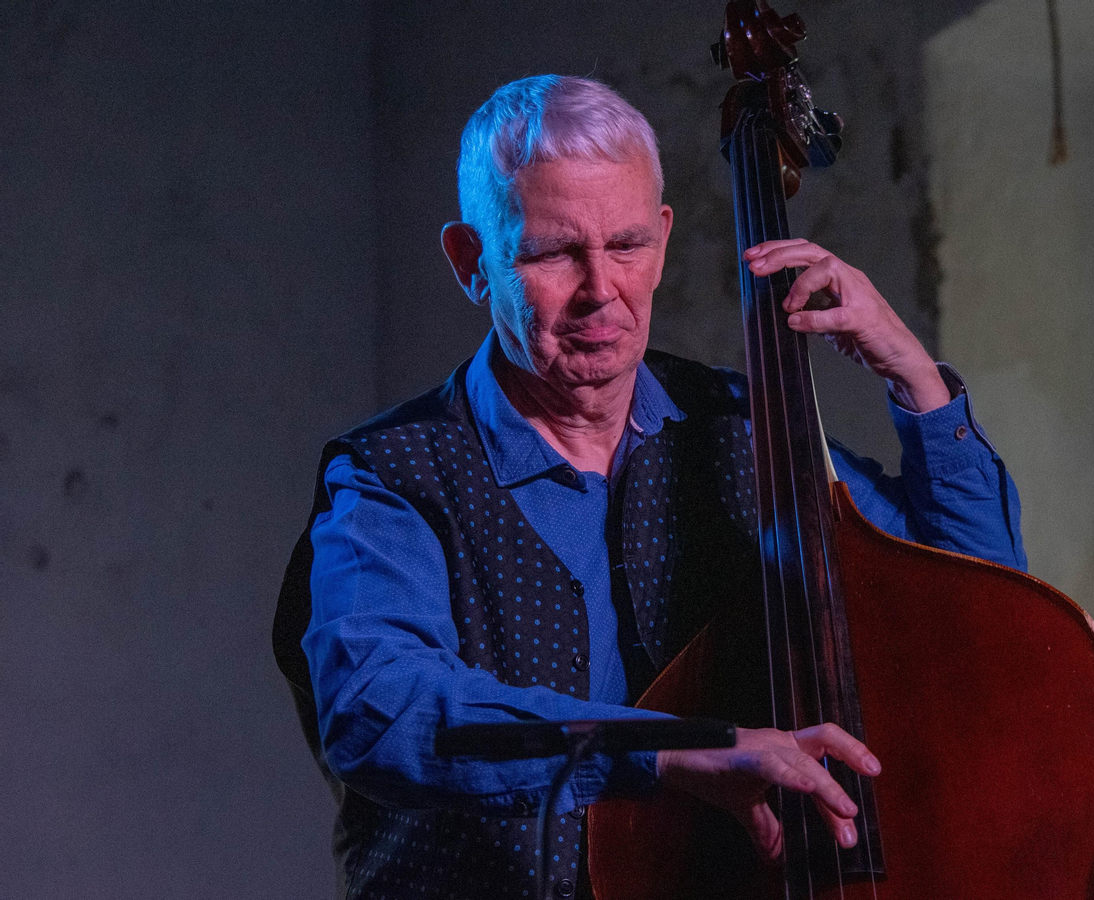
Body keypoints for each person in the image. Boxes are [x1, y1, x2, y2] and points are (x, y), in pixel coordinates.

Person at [273, 75, 1026, 900]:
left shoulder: (744, 430)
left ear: (664, 240)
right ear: (471, 262)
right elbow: (378, 708)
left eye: (626, 245)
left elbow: (982, 617)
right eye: (553, 252)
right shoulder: (392, 473)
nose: (601, 291)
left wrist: (915, 377)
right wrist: (663, 752)